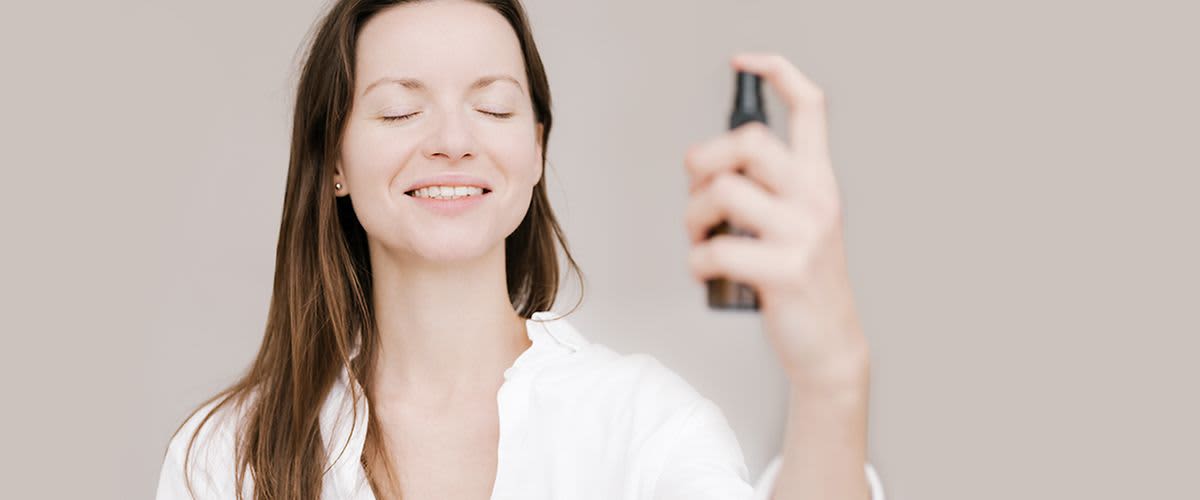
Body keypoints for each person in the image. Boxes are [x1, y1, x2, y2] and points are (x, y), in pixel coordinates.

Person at [154, 1, 885, 499]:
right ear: (335, 161)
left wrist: (831, 380)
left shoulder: (644, 425)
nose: (453, 140)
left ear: (535, 150)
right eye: (400, 110)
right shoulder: (227, 455)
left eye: (493, 106)